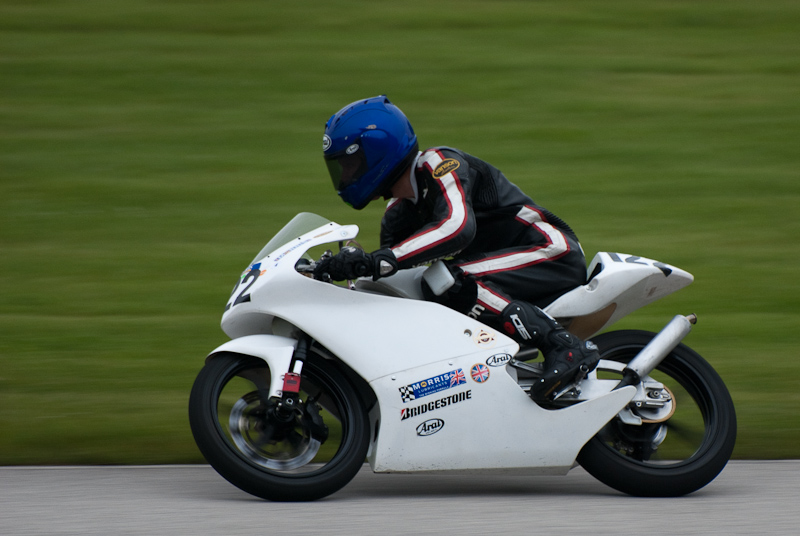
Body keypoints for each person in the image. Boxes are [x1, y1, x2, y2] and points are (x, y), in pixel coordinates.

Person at [314, 95, 599, 401]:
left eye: (351, 164)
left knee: (445, 281)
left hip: (548, 249)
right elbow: (394, 285)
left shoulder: (438, 164)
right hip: (504, 270)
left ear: (378, 152)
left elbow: (457, 227)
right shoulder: (397, 216)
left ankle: (564, 347)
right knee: (426, 294)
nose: (345, 177)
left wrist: (382, 259)